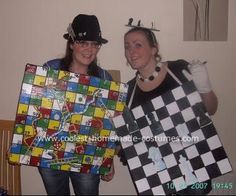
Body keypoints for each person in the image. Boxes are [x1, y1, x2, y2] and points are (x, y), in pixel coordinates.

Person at [118, 26, 218, 195]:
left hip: (194, 168)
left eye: (138, 45)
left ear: (154, 48)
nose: (131, 51)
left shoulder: (179, 70)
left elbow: (211, 109)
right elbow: (132, 140)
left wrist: (204, 88)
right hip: (159, 176)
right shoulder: (128, 91)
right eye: (127, 46)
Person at [38, 14, 115, 195]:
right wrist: (20, 144)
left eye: (95, 44)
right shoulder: (50, 70)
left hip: (86, 157)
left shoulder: (104, 80)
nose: (90, 49)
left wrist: (108, 159)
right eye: (83, 43)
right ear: (71, 44)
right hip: (50, 155)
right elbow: (35, 109)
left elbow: (110, 124)